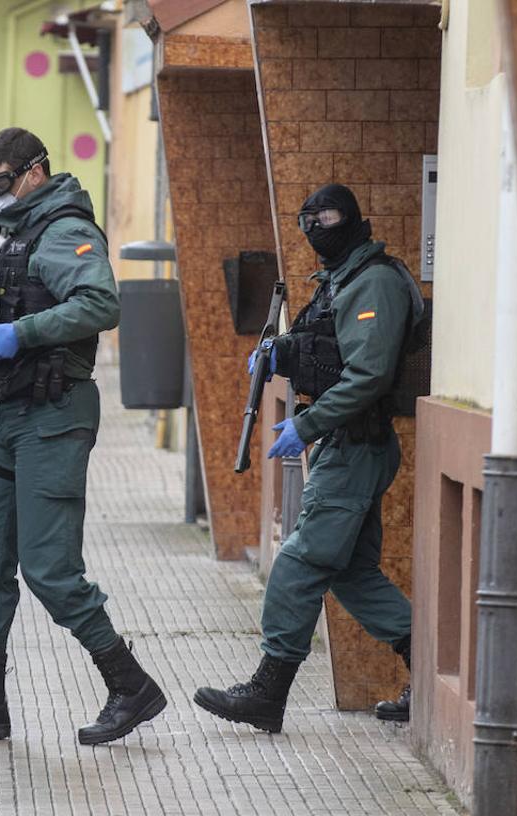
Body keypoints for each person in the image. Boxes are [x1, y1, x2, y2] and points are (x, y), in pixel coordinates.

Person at [0, 127, 167, 746]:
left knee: (50, 569)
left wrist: (20, 334)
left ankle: (130, 685)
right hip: (7, 411)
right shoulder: (10, 230)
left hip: (54, 414)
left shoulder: (64, 229)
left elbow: (102, 303)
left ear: (34, 172)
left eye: (1, 183)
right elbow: (1, 294)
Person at [194, 183, 422, 733]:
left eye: (329, 216)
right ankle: (430, 667)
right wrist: (283, 350)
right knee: (349, 572)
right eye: (308, 219)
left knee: (298, 564)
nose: (318, 227)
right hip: (342, 444)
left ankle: (267, 692)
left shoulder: (375, 283)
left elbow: (368, 374)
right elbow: (329, 352)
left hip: (354, 445)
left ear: (353, 219)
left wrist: (306, 424)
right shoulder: (340, 281)